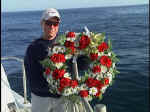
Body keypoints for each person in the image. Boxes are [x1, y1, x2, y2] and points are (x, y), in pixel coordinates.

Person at [24, 8, 66, 112]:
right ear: (42, 23)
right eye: (48, 23)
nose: (52, 26)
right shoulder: (33, 48)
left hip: (61, 97)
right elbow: (31, 77)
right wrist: (53, 88)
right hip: (41, 98)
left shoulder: (65, 44)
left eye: (55, 24)